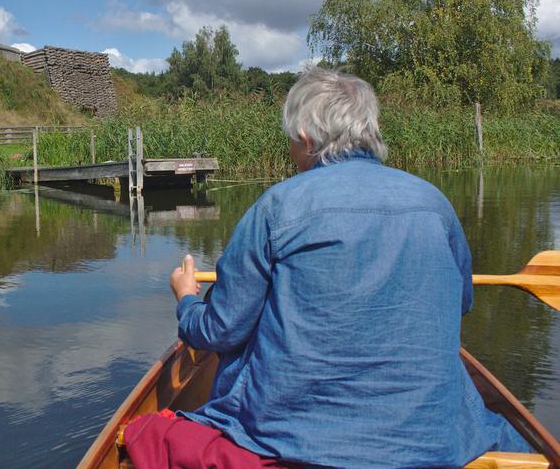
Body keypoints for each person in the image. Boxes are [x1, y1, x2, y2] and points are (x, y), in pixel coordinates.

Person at [124, 67, 529, 468]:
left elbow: (219, 331)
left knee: (149, 433)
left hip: (294, 436)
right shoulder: (435, 203)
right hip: (433, 437)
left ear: (305, 138)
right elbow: (458, 304)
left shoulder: (276, 207)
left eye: (290, 142)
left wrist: (187, 299)